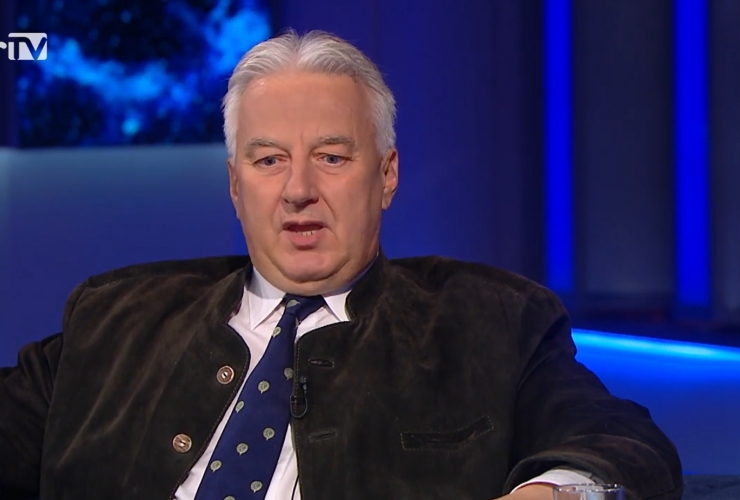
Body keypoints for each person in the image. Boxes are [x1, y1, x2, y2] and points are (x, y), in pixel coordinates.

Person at [0, 30, 682, 500]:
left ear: (386, 175)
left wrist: (556, 491)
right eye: (269, 160)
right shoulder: (114, 319)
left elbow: (620, 443)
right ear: (235, 185)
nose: (298, 189)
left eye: (331, 157)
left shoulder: (490, 323)